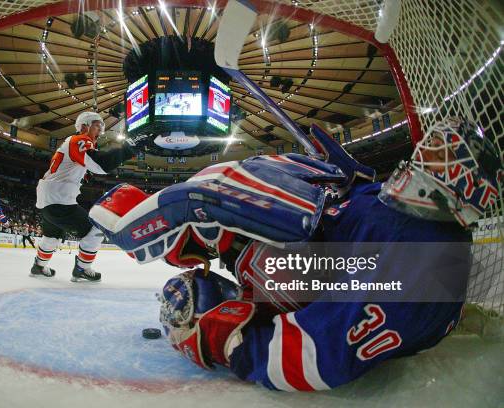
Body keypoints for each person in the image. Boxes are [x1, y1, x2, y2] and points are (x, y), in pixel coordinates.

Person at [88, 118, 500, 390]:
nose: (428, 160)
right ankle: (213, 247)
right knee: (253, 224)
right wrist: (340, 182)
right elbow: (358, 214)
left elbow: (315, 356)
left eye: (446, 161)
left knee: (252, 256)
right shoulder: (409, 218)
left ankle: (218, 261)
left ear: (469, 189)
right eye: (431, 151)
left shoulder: (419, 270)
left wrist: (226, 343)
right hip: (320, 254)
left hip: (307, 276)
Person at [30, 111, 144, 281]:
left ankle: (38, 266)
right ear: (84, 126)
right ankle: (82, 269)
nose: (100, 130)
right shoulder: (79, 139)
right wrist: (129, 147)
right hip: (59, 198)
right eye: (97, 125)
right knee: (95, 230)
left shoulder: (72, 143)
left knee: (51, 236)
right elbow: (101, 164)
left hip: (48, 198)